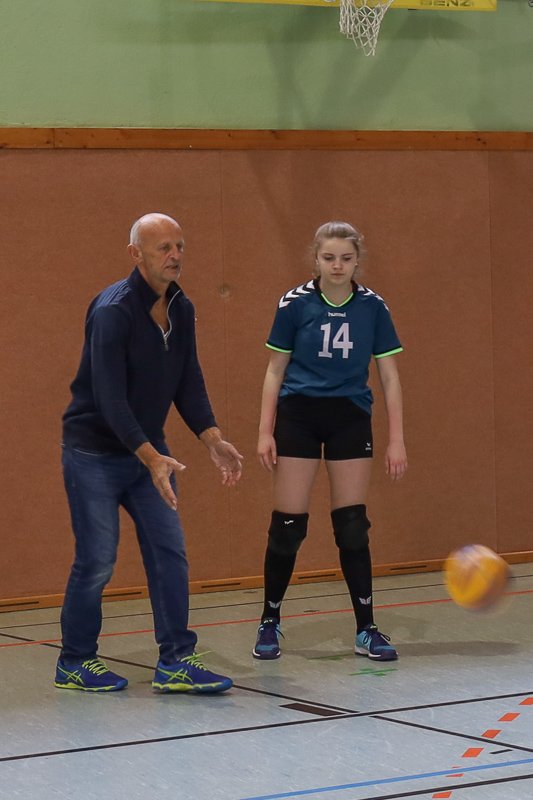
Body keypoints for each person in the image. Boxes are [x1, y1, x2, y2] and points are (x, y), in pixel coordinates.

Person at [56, 212, 243, 693]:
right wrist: (150, 455)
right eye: (164, 248)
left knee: (169, 552)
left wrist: (212, 438)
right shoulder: (113, 311)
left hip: (149, 454)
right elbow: (109, 398)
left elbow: (188, 378)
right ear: (135, 254)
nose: (175, 256)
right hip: (94, 454)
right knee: (98, 560)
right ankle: (75, 661)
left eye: (180, 246)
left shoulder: (182, 308)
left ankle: (176, 660)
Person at [253, 221, 407, 662]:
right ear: (316, 259)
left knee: (352, 525)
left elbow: (389, 377)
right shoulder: (294, 303)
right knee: (287, 526)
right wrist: (265, 431)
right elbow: (274, 369)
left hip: (350, 416)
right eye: (329, 258)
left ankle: (366, 629)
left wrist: (396, 439)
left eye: (346, 258)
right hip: (299, 415)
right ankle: (269, 621)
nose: (337, 266)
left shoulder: (373, 307)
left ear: (357, 261)